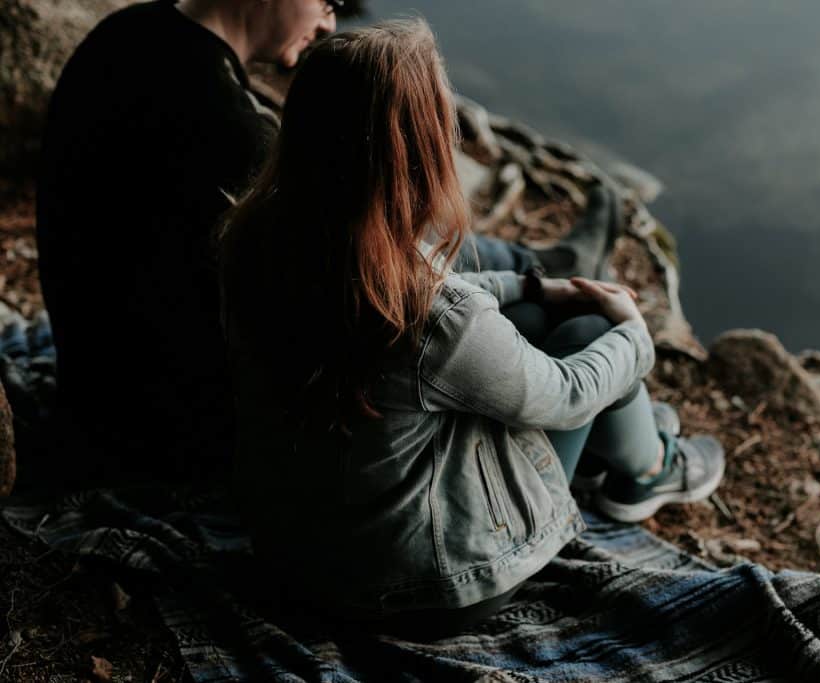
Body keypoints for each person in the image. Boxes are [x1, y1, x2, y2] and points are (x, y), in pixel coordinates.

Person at [219, 19, 725, 639]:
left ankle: (639, 454)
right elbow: (564, 394)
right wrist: (632, 333)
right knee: (588, 332)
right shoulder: (433, 313)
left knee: (540, 317)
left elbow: (436, 315)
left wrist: (531, 287)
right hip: (429, 590)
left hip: (296, 558)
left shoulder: (258, 243)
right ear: (421, 150)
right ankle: (648, 469)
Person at [34, 0, 606, 486]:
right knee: (533, 319)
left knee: (452, 270)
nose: (331, 23)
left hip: (93, 385)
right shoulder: (232, 136)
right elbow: (368, 288)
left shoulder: (127, 35)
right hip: (184, 437)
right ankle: (642, 443)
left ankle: (539, 265)